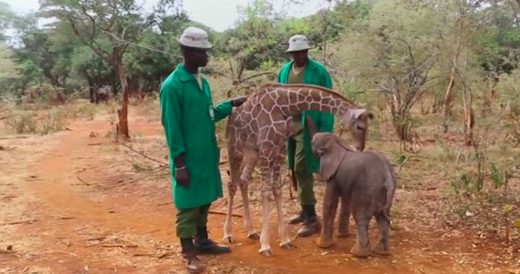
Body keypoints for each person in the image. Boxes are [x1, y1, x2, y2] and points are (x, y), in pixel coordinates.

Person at [160, 26, 247, 274]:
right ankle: (189, 253)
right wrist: (180, 164)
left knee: (204, 200)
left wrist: (230, 105)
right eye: (202, 52)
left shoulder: (202, 82)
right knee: (188, 204)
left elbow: (207, 115)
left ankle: (203, 241)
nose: (206, 56)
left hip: (205, 155)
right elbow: (172, 128)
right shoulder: (173, 86)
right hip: (187, 158)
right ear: (187, 52)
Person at [277, 34, 335, 237]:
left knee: (303, 166)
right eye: (296, 52)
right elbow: (279, 97)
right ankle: (304, 209)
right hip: (290, 125)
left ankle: (312, 218)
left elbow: (328, 101)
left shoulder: (319, 71)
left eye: (303, 52)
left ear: (307, 52)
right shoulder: (284, 71)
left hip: (310, 126)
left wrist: (323, 133)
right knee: (295, 168)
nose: (300, 55)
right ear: (291, 53)